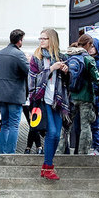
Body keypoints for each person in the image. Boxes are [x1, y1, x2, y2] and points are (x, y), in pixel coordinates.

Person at [29, 29, 70, 180]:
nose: (41, 41)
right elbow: (32, 81)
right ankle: (48, 166)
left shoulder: (62, 57)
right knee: (51, 132)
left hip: (57, 101)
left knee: (57, 135)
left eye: (44, 38)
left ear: (52, 40)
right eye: (40, 38)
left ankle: (47, 167)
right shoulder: (36, 58)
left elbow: (69, 83)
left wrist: (66, 72)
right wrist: (52, 69)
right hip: (42, 100)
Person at [66, 34, 99, 155]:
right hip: (86, 98)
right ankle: (83, 154)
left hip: (71, 97)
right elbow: (98, 80)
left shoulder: (69, 56)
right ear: (88, 44)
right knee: (86, 126)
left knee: (66, 127)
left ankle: (62, 152)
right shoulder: (88, 59)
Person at [0, 29, 29, 154]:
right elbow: (28, 72)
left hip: (1, 94)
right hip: (15, 95)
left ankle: (3, 152)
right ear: (19, 41)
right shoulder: (19, 54)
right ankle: (10, 153)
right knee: (14, 125)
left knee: (5, 124)